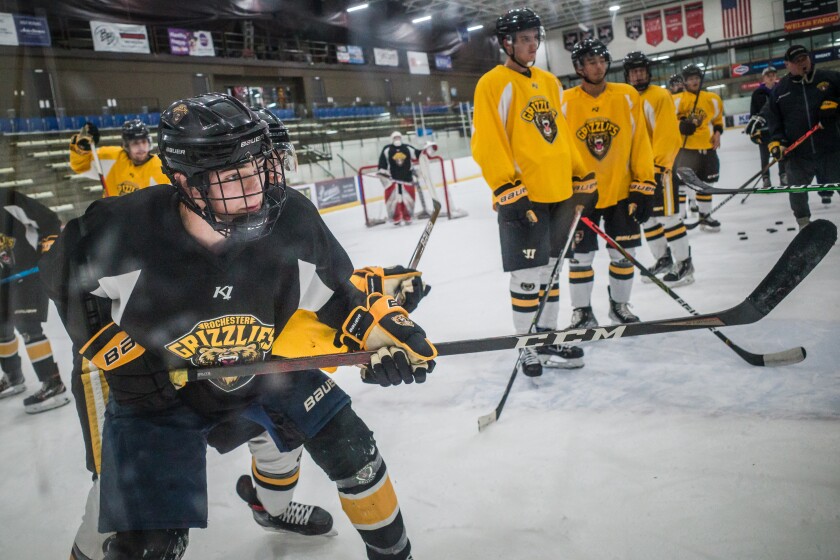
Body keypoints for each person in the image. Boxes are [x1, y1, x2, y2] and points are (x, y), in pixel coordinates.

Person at [42, 93, 435, 560]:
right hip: (157, 388)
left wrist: (382, 332)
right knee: (134, 527)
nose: (255, 187)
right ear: (186, 182)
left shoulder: (291, 219)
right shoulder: (124, 231)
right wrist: (123, 361)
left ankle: (284, 512)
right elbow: (64, 276)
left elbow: (340, 298)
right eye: (233, 175)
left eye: (260, 168)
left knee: (349, 447)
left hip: (260, 367)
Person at [471, 7, 596, 377]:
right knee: (527, 274)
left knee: (552, 271)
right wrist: (507, 186)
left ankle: (548, 335)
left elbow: (562, 136)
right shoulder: (492, 83)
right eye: (524, 39)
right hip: (523, 197)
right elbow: (487, 141)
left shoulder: (550, 82)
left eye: (534, 38)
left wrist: (579, 174)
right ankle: (526, 345)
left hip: (559, 194)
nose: (532, 45)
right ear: (506, 43)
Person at [561, 39, 655, 327]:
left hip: (621, 192)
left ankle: (619, 306)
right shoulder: (564, 101)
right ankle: (582, 311)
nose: (598, 65)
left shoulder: (626, 95)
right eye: (590, 61)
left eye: (601, 59)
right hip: (581, 197)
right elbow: (559, 149)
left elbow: (641, 143)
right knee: (580, 258)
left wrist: (644, 187)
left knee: (624, 254)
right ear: (579, 67)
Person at [623, 52, 694, 286]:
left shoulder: (659, 96)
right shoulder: (625, 98)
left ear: (648, 72)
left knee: (668, 216)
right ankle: (663, 259)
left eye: (641, 70)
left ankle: (684, 263)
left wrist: (657, 166)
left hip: (659, 171)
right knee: (646, 217)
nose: (638, 75)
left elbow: (667, 135)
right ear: (627, 75)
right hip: (636, 174)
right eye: (633, 71)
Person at [0, 188, 69, 412]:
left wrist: (44, 255)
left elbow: (49, 220)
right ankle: (13, 377)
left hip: (28, 273)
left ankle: (53, 383)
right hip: (4, 279)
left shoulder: (7, 199)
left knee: (27, 326)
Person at [766, 45, 840, 229]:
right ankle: (804, 225)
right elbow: (774, 121)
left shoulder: (830, 78)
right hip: (799, 154)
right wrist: (778, 143)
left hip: (831, 149)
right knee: (797, 191)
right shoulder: (780, 90)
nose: (802, 63)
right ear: (787, 65)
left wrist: (835, 108)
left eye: (804, 59)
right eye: (797, 61)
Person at [673, 63, 725, 232]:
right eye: (690, 79)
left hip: (707, 149)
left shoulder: (712, 99)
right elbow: (667, 121)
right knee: (681, 186)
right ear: (685, 81)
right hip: (685, 149)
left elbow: (717, 120)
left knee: (706, 184)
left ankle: (705, 216)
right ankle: (680, 218)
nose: (694, 81)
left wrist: (717, 133)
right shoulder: (677, 100)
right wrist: (680, 124)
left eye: (696, 78)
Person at [69, 118, 169, 197]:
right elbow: (79, 165)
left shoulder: (161, 167)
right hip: (112, 219)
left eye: (144, 142)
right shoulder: (110, 158)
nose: (141, 148)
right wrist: (83, 146)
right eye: (135, 143)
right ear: (126, 145)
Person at [377, 131, 423, 225]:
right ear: (392, 139)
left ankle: (407, 216)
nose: (397, 139)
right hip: (393, 180)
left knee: (408, 199)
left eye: (398, 137)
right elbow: (382, 163)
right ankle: (396, 218)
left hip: (407, 179)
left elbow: (417, 154)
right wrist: (382, 173)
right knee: (393, 200)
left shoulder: (407, 147)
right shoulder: (387, 149)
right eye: (395, 137)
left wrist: (425, 151)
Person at [747, 66, 781, 188]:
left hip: (779, 129)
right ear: (764, 78)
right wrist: (755, 130)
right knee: (764, 156)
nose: (771, 77)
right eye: (768, 76)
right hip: (764, 131)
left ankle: (783, 175)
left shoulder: (780, 90)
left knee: (781, 152)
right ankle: (766, 178)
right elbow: (753, 112)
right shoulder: (757, 93)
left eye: (773, 75)